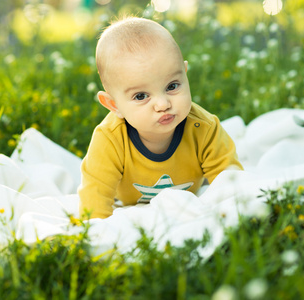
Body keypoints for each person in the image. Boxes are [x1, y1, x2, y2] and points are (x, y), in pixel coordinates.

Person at [78, 16, 243, 219]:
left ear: (185, 73)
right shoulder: (110, 139)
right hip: (130, 204)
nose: (163, 104)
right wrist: (96, 233)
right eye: (141, 96)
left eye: (172, 86)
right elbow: (94, 197)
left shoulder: (203, 128)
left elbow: (233, 184)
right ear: (114, 105)